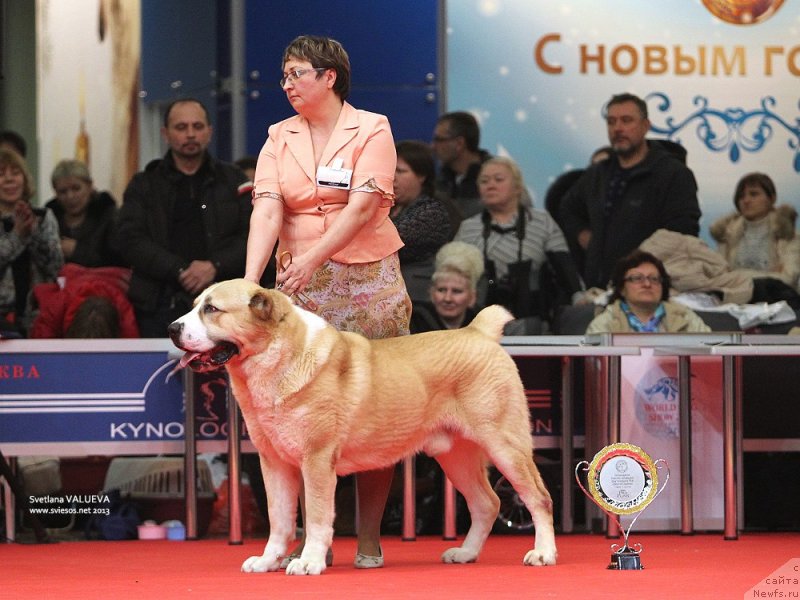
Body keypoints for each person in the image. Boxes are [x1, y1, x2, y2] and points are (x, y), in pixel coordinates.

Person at [244, 35, 410, 569]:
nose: (286, 84)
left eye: (296, 74)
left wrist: (313, 258)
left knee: (376, 407)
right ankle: (306, 536)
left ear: (329, 76)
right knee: (295, 413)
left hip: (368, 281)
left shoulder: (373, 127)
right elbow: (267, 211)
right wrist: (250, 287)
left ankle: (367, 536)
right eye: (285, 75)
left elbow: (363, 208)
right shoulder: (277, 136)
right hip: (297, 290)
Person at [114, 97, 252, 337]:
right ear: (165, 133)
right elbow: (129, 239)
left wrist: (214, 266)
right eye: (181, 127)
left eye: (197, 127)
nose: (190, 134)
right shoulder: (144, 184)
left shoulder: (234, 179)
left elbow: (252, 233)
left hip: (225, 303)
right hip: (158, 302)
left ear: (209, 132)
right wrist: (178, 269)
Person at [560, 93, 702, 289]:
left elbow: (683, 232)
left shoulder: (672, 174)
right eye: (611, 122)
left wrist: (640, 264)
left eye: (626, 120)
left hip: (650, 291)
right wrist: (583, 235)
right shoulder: (597, 174)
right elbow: (567, 207)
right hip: (600, 289)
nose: (618, 128)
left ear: (645, 126)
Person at [455, 156, 583, 333]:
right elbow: (453, 275)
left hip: (534, 321)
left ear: (517, 187)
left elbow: (564, 266)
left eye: (498, 179)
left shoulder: (542, 222)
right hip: (479, 323)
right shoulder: (468, 228)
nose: (490, 185)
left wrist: (578, 296)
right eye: (484, 181)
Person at [0, 148, 63, 336]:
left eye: (16, 172)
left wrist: (33, 231)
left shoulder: (43, 216)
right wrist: (17, 235)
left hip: (39, 316)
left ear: (25, 179)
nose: (9, 179)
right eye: (1, 174)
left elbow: (55, 267)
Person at [709, 173, 800, 293]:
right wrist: (770, 275)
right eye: (741, 196)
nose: (746, 200)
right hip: (734, 301)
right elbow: (718, 278)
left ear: (772, 198)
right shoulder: (727, 233)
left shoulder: (787, 235)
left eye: (754, 194)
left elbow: (787, 279)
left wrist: (736, 276)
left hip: (776, 302)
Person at [586, 250, 710, 333]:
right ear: (621, 288)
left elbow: (710, 359)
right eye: (637, 278)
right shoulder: (604, 323)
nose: (647, 284)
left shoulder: (686, 318)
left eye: (654, 279)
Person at [391, 140, 454, 302]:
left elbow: (391, 243)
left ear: (421, 176)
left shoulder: (432, 211)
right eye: (390, 170)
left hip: (418, 299)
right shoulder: (385, 207)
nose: (392, 178)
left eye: (400, 171)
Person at [46, 159, 122, 267]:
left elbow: (119, 261)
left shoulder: (108, 216)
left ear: (89, 186)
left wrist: (77, 251)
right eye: (63, 192)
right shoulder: (49, 219)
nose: (70, 196)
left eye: (76, 189)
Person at [410, 240, 484, 333]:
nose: (447, 298)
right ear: (431, 293)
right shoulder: (415, 323)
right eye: (441, 290)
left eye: (457, 291)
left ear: (472, 297)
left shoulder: (482, 326)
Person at [432, 111, 492, 220]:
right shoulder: (440, 180)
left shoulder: (498, 177)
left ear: (459, 143)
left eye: (439, 140)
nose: (433, 146)